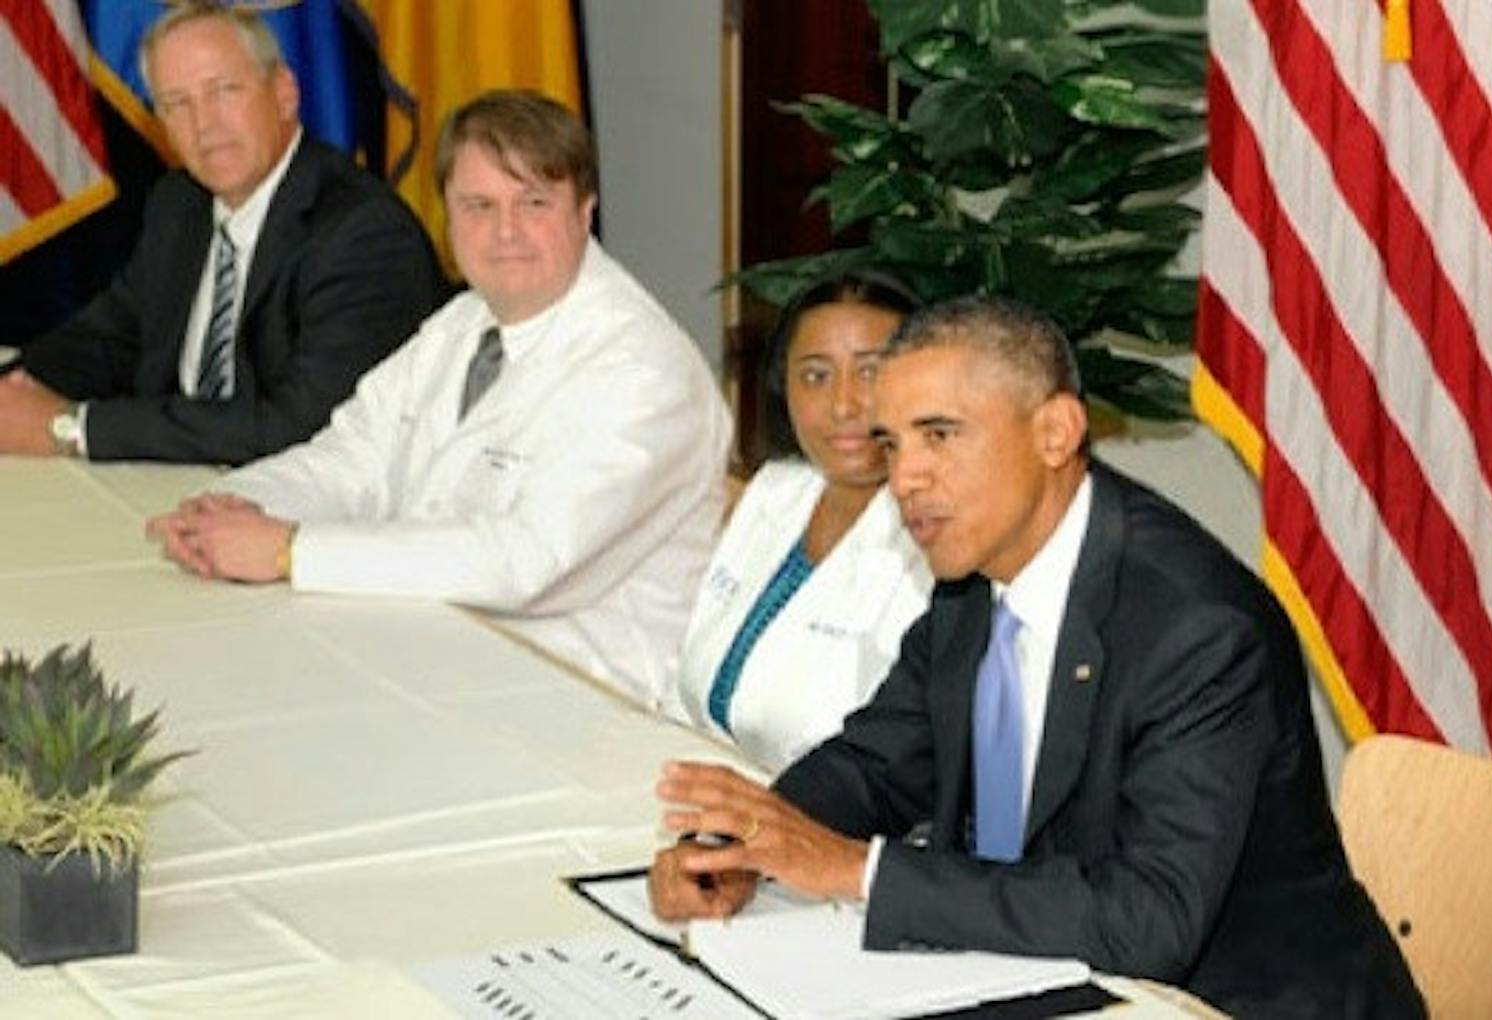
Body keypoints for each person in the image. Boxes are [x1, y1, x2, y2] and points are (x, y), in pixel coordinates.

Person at [646, 296, 1423, 1018]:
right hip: (1044, 977)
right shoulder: (974, 575)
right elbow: (878, 763)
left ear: (1055, 433)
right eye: (892, 443)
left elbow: (1148, 917)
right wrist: (743, 841)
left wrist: (857, 870)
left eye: (940, 435)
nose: (904, 478)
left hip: (1227, 1004)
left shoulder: (1198, 629)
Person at [144, 90, 731, 708]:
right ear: (447, 217)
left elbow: (526, 563)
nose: (505, 232)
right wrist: (234, 506)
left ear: (584, 213)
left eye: (534, 202)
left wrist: (292, 550)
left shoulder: (645, 372)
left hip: (580, 700)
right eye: (478, 205)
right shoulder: (465, 321)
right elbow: (352, 457)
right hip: (437, 656)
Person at [0, 2, 441, 465]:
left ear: (284, 93)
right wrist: (14, 387)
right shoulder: (180, 204)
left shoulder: (363, 232)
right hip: (176, 481)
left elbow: (301, 427)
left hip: (298, 506)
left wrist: (73, 428)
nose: (204, 124)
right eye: (177, 103)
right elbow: (109, 339)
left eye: (224, 91)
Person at [668, 271, 931, 772]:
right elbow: (686, 677)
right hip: (705, 788)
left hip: (824, 828)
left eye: (871, 372)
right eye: (816, 375)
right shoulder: (778, 490)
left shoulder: (939, 537)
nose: (844, 404)